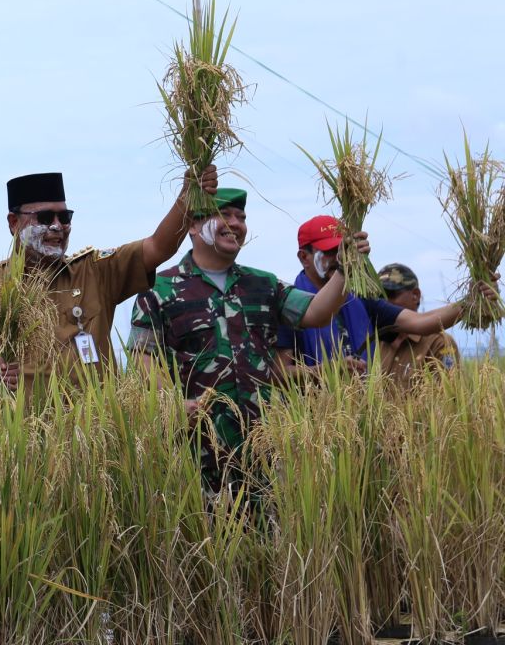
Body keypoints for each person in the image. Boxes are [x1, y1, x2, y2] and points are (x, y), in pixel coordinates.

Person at [128, 189, 365, 487]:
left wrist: (345, 269)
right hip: (196, 454)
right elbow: (142, 359)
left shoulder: (263, 284)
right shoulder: (159, 289)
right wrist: (174, 404)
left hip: (263, 452)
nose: (236, 223)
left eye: (241, 217)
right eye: (224, 215)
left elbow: (317, 313)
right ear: (193, 225)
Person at [0, 166, 218, 383]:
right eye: (44, 218)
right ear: (13, 223)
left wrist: (188, 197)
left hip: (93, 439)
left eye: (65, 217)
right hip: (23, 441)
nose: (57, 227)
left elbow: (158, 247)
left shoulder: (95, 271)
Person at [276, 214, 492, 376]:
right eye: (330, 252)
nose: (339, 258)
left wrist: (471, 301)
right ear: (304, 257)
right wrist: (328, 371)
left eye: (344, 250)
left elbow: (421, 323)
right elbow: (279, 373)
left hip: (364, 421)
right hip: (313, 425)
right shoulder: (289, 304)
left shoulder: (360, 300)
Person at [376, 262, 460, 383]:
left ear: (415, 295)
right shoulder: (373, 342)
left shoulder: (439, 344)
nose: (384, 303)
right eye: (380, 297)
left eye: (391, 295)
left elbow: (448, 396)